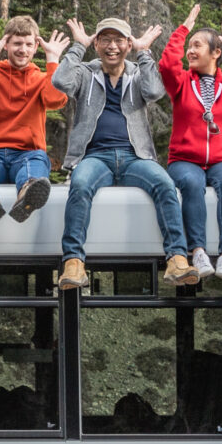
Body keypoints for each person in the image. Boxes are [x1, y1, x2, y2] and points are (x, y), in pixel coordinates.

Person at [52, 16, 187, 290]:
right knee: (79, 185)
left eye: (118, 40)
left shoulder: (138, 72)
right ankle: (74, 262)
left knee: (165, 184)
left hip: (135, 156)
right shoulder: (86, 72)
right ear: (97, 44)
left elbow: (154, 92)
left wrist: (144, 52)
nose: (112, 46)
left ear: (127, 44)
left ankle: (177, 258)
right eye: (105, 40)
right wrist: (78, 46)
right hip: (95, 157)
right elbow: (61, 82)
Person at [157, 4, 222, 288]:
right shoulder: (181, 82)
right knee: (191, 185)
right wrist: (184, 30)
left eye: (197, 46)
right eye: (190, 47)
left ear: (216, 53)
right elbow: (167, 64)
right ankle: (199, 252)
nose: (191, 51)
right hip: (184, 159)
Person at [0, 17, 71, 221]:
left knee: (38, 159)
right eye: (17, 44)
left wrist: (53, 59)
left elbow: (55, 101)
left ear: (36, 46)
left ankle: (29, 193)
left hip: (26, 153)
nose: (23, 50)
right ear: (6, 45)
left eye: (29, 44)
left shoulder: (41, 78)